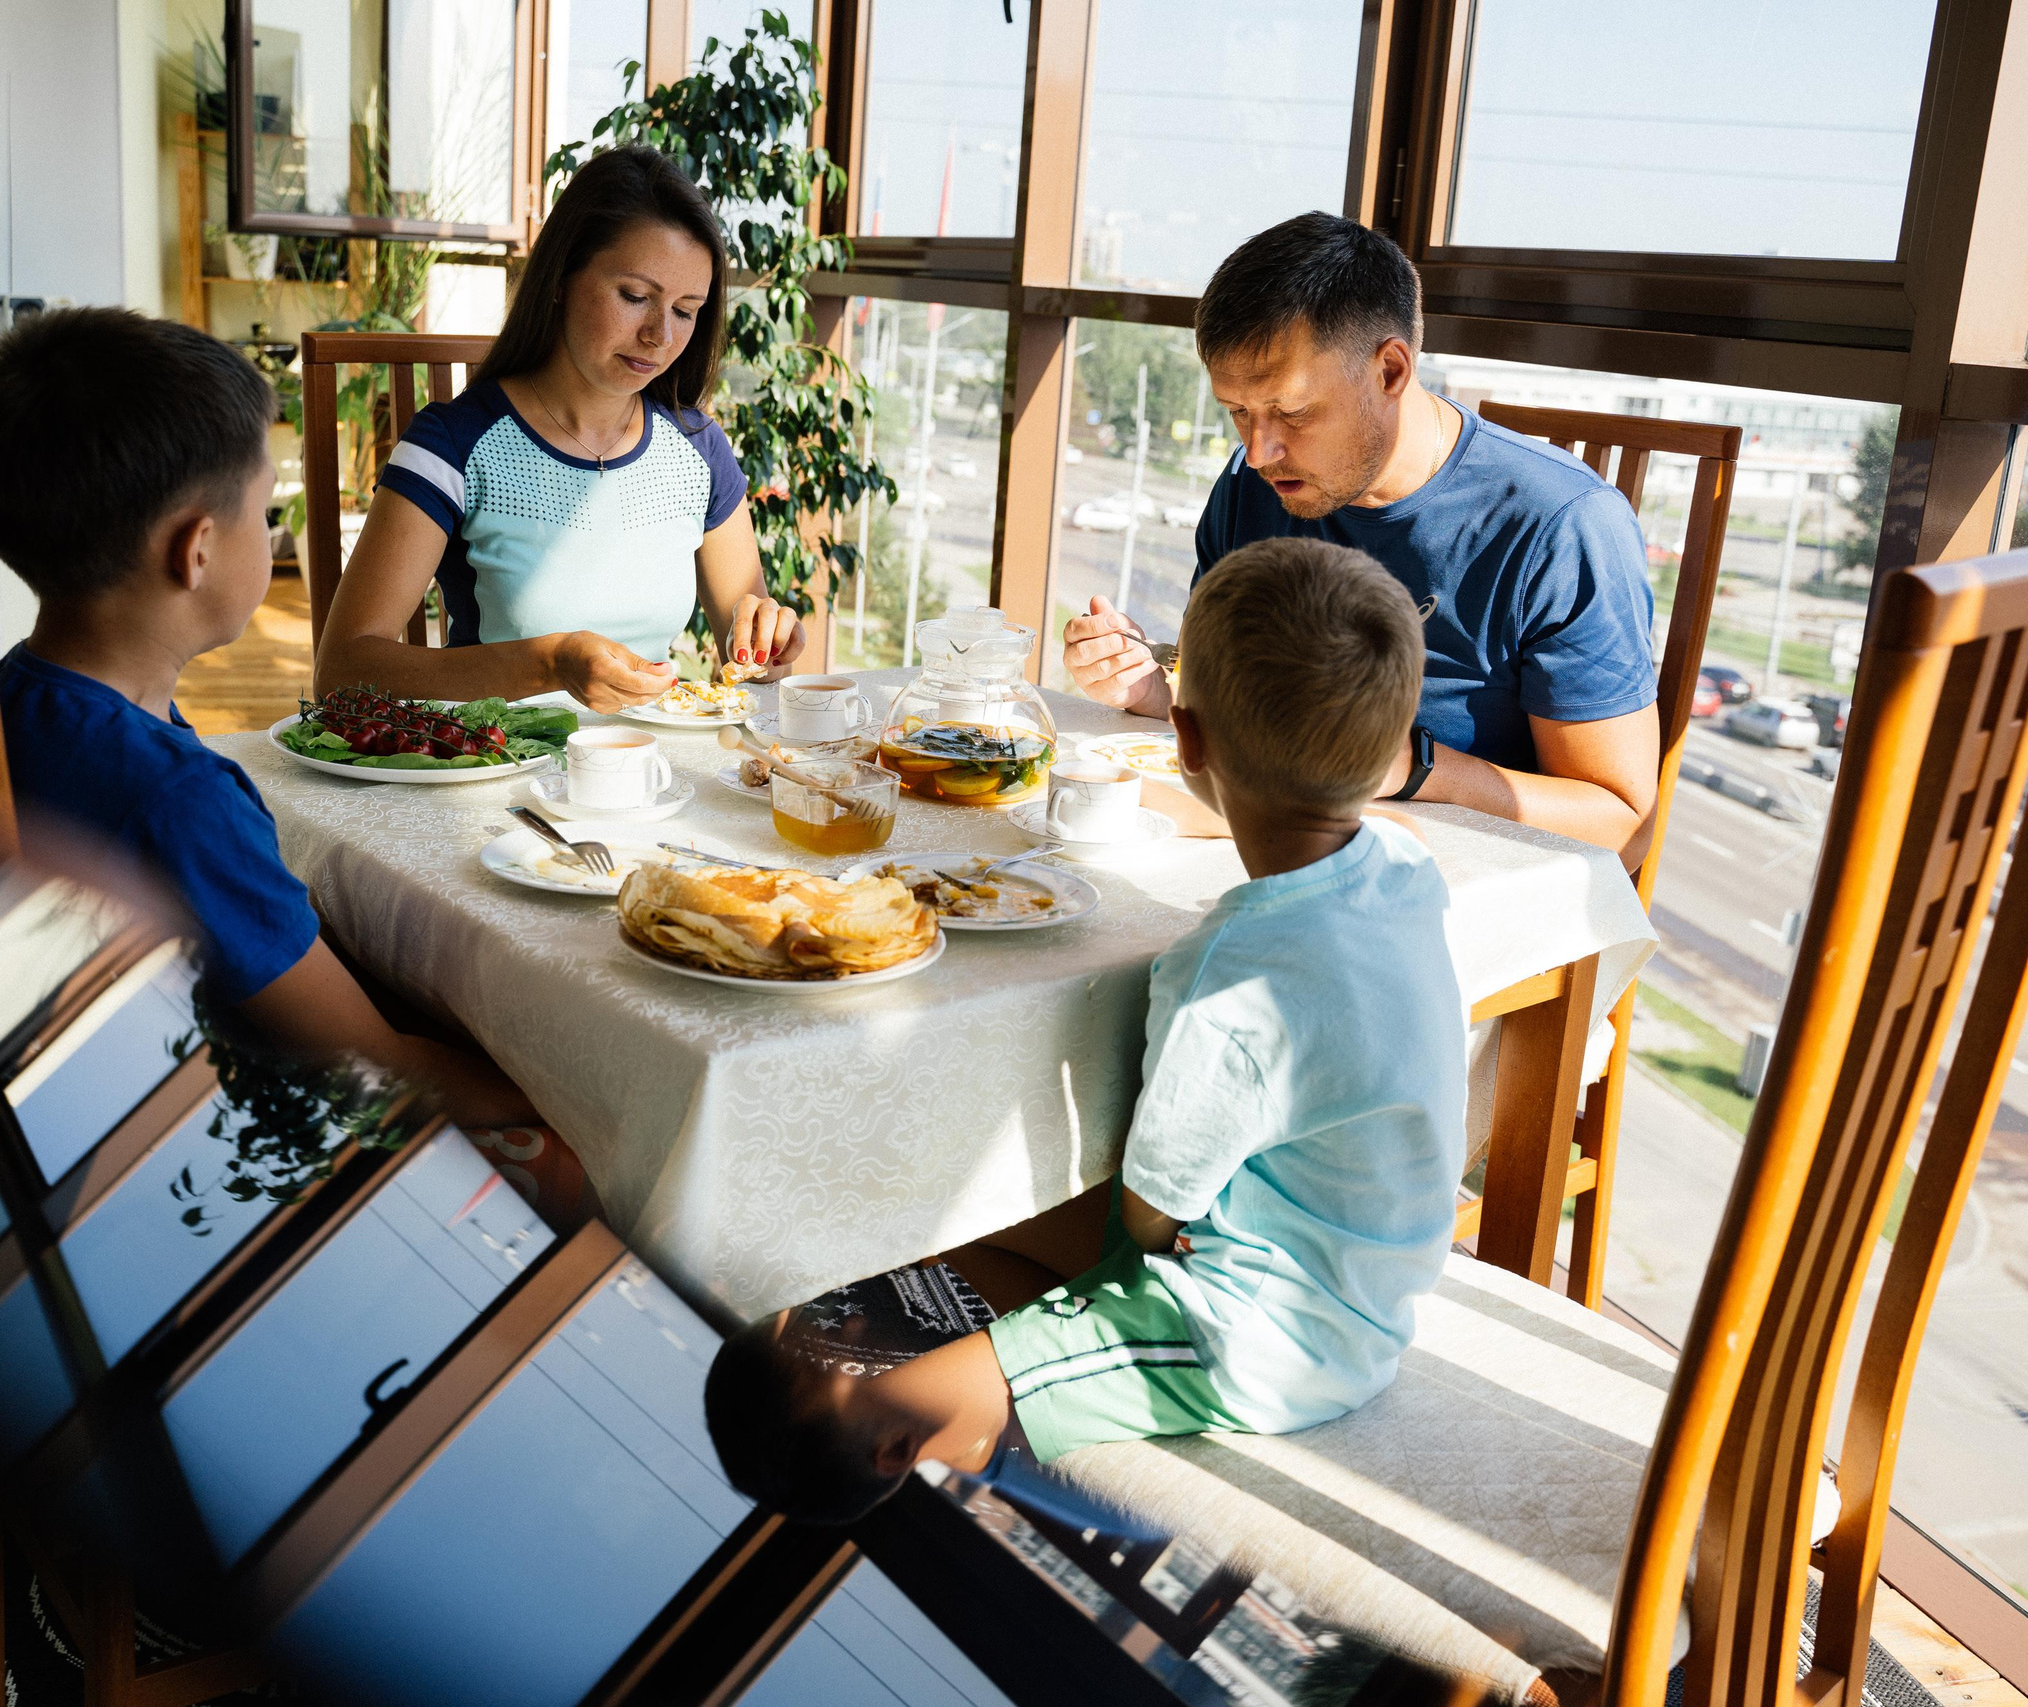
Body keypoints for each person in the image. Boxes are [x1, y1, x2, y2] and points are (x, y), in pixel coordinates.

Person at [706, 537, 1467, 1523]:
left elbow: (1154, 1208)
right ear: (1394, 743)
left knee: (1001, 1348)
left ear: (1184, 742)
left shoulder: (1236, 976)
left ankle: (884, 1433)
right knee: (983, 1224)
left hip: (1254, 1331)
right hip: (1360, 1266)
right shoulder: (1403, 869)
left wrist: (1121, 1258)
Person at [0, 307, 596, 1223]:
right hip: (221, 1165)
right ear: (197, 549)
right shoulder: (179, 796)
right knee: (588, 1146)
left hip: (72, 1119)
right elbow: (372, 1061)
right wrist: (577, 1105)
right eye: (269, 512)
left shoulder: (8, 701)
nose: (275, 532)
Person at [1063, 213, 1660, 860]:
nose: (1260, 450)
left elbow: (1624, 828)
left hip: (1452, 900)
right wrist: (1155, 690)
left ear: (1391, 371)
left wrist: (1419, 769)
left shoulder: (1562, 526)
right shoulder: (1253, 486)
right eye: (1238, 411)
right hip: (1271, 859)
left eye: (1292, 411)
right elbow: (1245, 709)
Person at [317, 145, 797, 712]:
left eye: (686, 310)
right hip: (495, 771)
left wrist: (769, 640)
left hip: (646, 773)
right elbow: (343, 670)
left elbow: (749, 655)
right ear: (559, 279)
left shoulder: (697, 448)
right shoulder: (455, 444)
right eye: (636, 297)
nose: (660, 336)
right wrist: (550, 663)